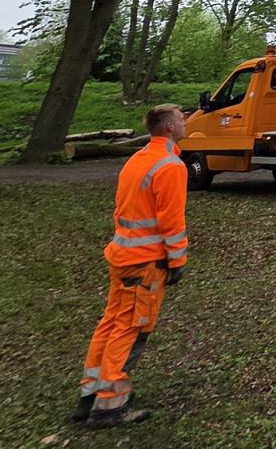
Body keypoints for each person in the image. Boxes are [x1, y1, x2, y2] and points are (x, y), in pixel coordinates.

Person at [68, 103, 191, 427]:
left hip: (122, 257)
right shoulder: (171, 166)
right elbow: (171, 220)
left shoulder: (137, 159)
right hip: (145, 264)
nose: (185, 121)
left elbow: (123, 208)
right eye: (180, 118)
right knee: (130, 330)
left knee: (110, 324)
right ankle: (109, 406)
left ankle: (90, 394)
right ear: (168, 128)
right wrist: (177, 259)